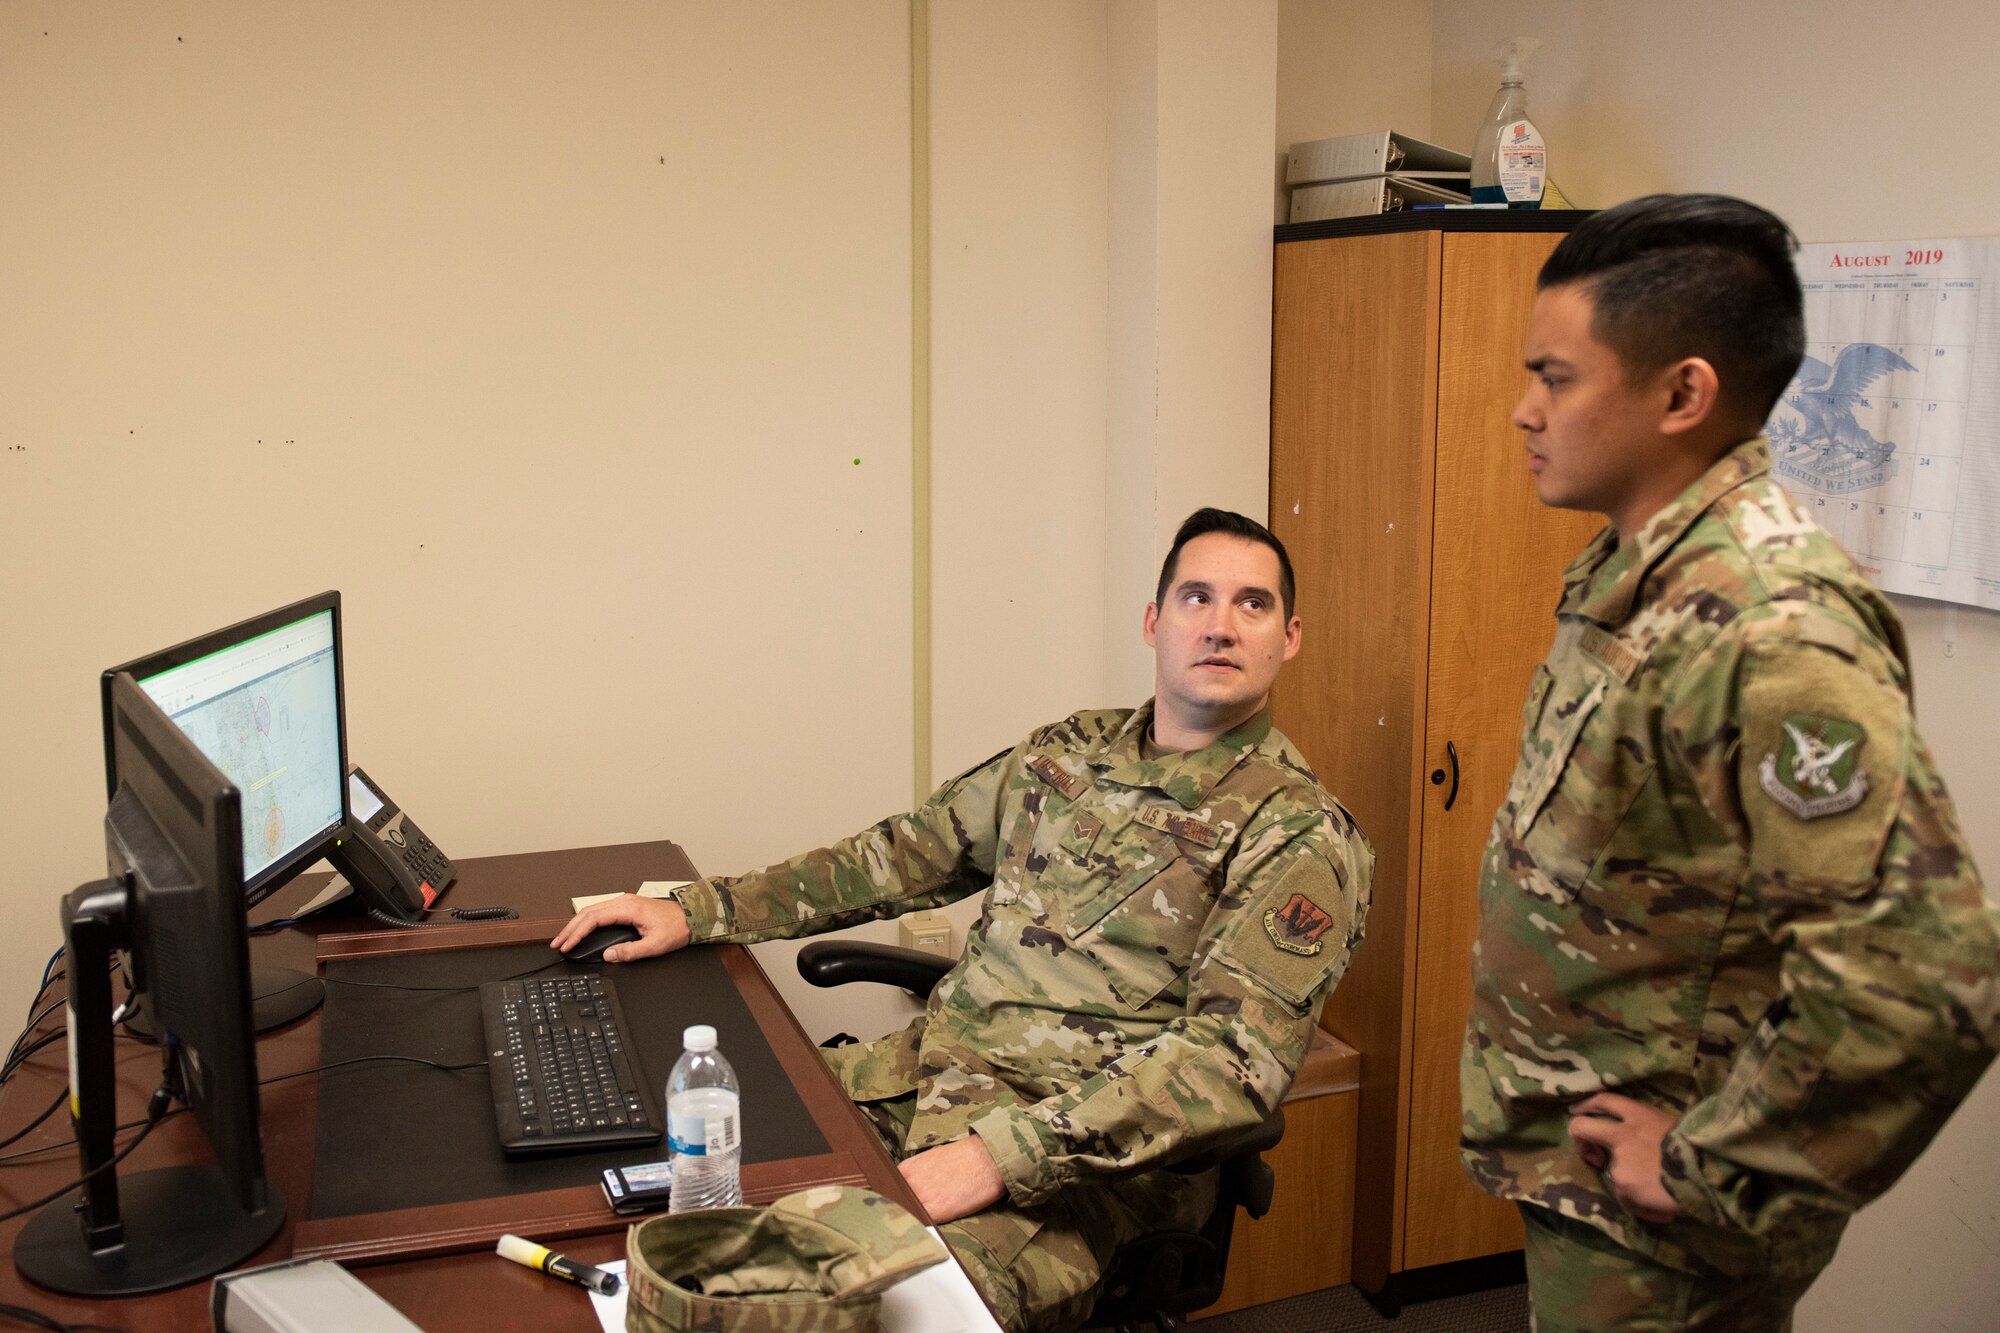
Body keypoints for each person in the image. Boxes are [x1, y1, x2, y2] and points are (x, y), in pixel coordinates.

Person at [557, 507, 1373, 1333]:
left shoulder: (1298, 832)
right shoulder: (1066, 753)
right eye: (1197, 597)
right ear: (1155, 621)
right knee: (671, 1183)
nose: (1222, 625)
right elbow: (904, 853)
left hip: (1085, 1166)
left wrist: (997, 1156)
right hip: (923, 1077)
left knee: (881, 1314)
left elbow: (1232, 1063)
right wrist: (701, 909)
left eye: (1253, 604)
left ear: (1290, 635)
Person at [1461, 193, 2000, 1331]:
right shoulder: (1638, 570)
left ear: (1681, 392)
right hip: (1588, 1181)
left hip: (1663, 1227)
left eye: (1553, 377)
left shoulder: (1769, 623)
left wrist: (1714, 1166)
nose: (1522, 411)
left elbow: (1925, 981)